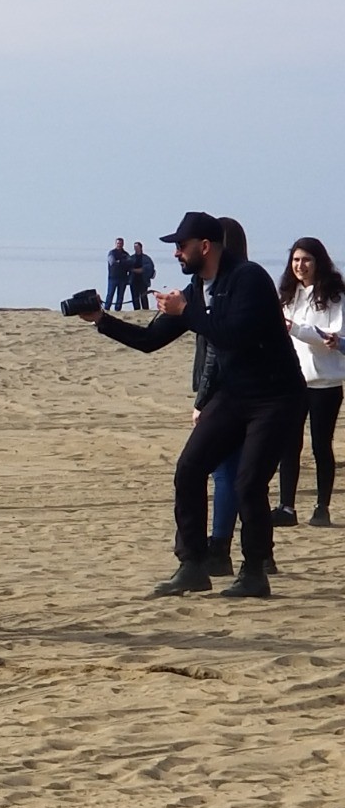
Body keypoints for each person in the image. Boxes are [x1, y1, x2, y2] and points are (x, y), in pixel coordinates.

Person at [79, 211, 305, 599]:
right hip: (234, 394)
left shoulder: (248, 278)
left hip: (277, 396)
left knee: (248, 482)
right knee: (189, 468)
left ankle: (254, 572)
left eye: (181, 247)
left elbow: (233, 335)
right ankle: (192, 565)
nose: (177, 255)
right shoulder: (198, 289)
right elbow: (150, 340)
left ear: (204, 247)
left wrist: (188, 312)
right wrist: (101, 319)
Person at [273, 237, 345, 529]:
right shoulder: (289, 295)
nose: (300, 266)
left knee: (320, 445)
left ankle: (322, 506)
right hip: (293, 381)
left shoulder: (334, 296)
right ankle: (286, 506)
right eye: (296, 260)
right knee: (289, 444)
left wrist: (298, 330)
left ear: (319, 262)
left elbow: (331, 337)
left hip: (324, 382)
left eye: (306, 260)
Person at [195, 217, 251, 577]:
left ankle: (220, 548)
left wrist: (201, 399)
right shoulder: (218, 286)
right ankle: (256, 552)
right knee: (240, 473)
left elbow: (217, 348)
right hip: (230, 388)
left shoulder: (229, 289)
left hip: (226, 390)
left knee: (224, 472)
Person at [104, 237, 131, 311]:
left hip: (123, 278)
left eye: (121, 243)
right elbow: (112, 263)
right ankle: (106, 309)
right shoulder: (112, 253)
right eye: (118, 243)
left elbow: (129, 263)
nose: (119, 245)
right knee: (110, 294)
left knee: (120, 295)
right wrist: (122, 262)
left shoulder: (126, 254)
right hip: (113, 277)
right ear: (116, 244)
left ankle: (118, 310)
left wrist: (120, 262)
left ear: (123, 244)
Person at [129, 241, 155, 310]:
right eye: (135, 247)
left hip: (143, 280)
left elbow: (148, 269)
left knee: (143, 296)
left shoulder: (146, 258)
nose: (136, 248)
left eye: (137, 247)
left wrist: (134, 270)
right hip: (133, 280)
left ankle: (145, 310)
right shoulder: (131, 258)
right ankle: (136, 310)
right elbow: (126, 268)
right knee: (135, 297)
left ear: (141, 247)